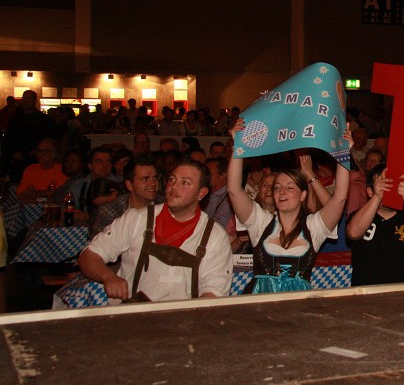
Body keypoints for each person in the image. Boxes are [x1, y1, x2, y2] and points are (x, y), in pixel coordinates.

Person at [78, 158, 233, 302]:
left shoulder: (214, 235)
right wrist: (108, 277)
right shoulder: (136, 219)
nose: (174, 186)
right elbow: (88, 256)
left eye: (185, 182)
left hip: (182, 323)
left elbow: (213, 293)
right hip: (131, 319)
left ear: (201, 192)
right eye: (172, 179)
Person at [226, 119, 349, 293]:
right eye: (277, 188)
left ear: (303, 195)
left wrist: (343, 152)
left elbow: (340, 199)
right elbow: (233, 190)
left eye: (289, 187)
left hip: (297, 306)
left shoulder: (313, 226)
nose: (282, 192)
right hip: (259, 304)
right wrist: (238, 146)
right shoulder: (261, 222)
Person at [346, 165, 404, 286]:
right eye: (383, 184)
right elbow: (353, 233)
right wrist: (378, 196)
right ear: (369, 191)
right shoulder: (359, 216)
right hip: (366, 295)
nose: (388, 189)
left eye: (392, 184)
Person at [90, 152, 163, 238]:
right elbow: (95, 248)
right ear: (129, 185)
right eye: (145, 179)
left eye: (155, 178)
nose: (153, 183)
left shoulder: (166, 207)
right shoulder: (111, 212)